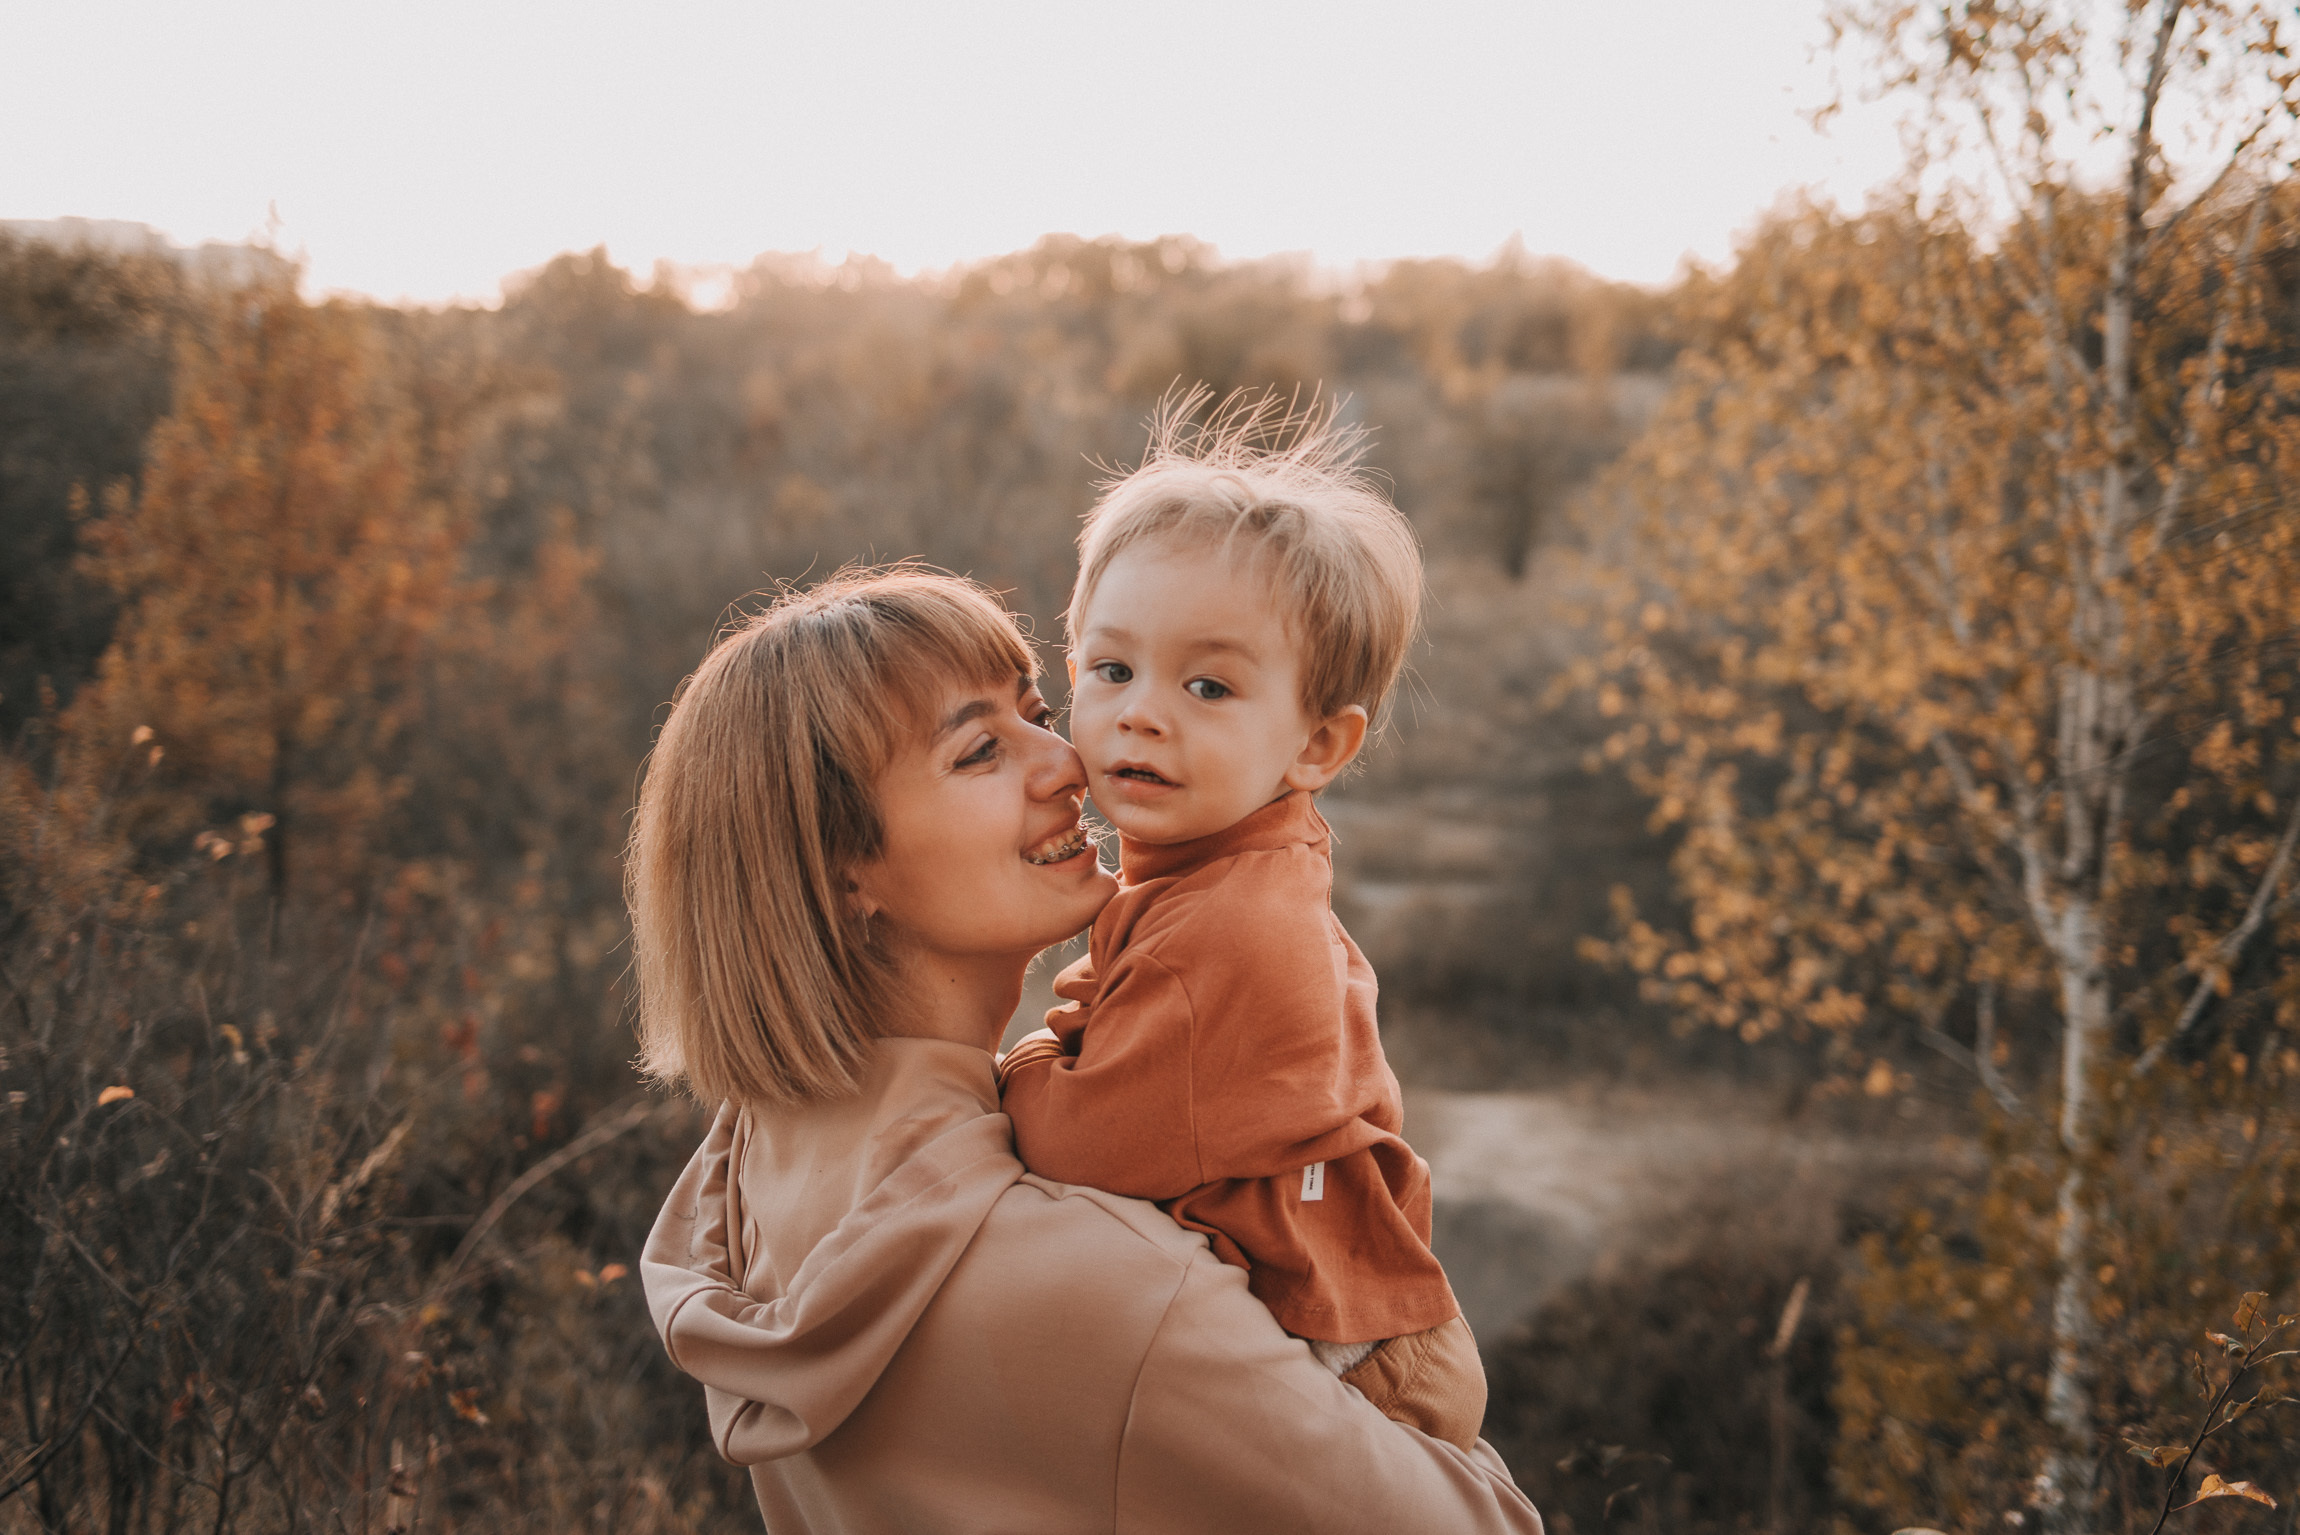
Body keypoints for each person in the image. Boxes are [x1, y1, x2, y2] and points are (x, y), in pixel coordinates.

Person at [632, 566, 1541, 1533]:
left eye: (1038, 709)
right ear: (842, 872)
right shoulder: (1096, 1282)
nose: (1066, 762)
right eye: (981, 750)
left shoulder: (739, 1182)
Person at [998, 399, 1483, 1451]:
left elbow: (1071, 1141)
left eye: (1207, 684)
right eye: (1109, 668)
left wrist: (1014, 1063)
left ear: (1316, 743)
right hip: (1337, 1314)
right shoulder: (1216, 872)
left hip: (1354, 1358)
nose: (1140, 711)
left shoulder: (1229, 926)